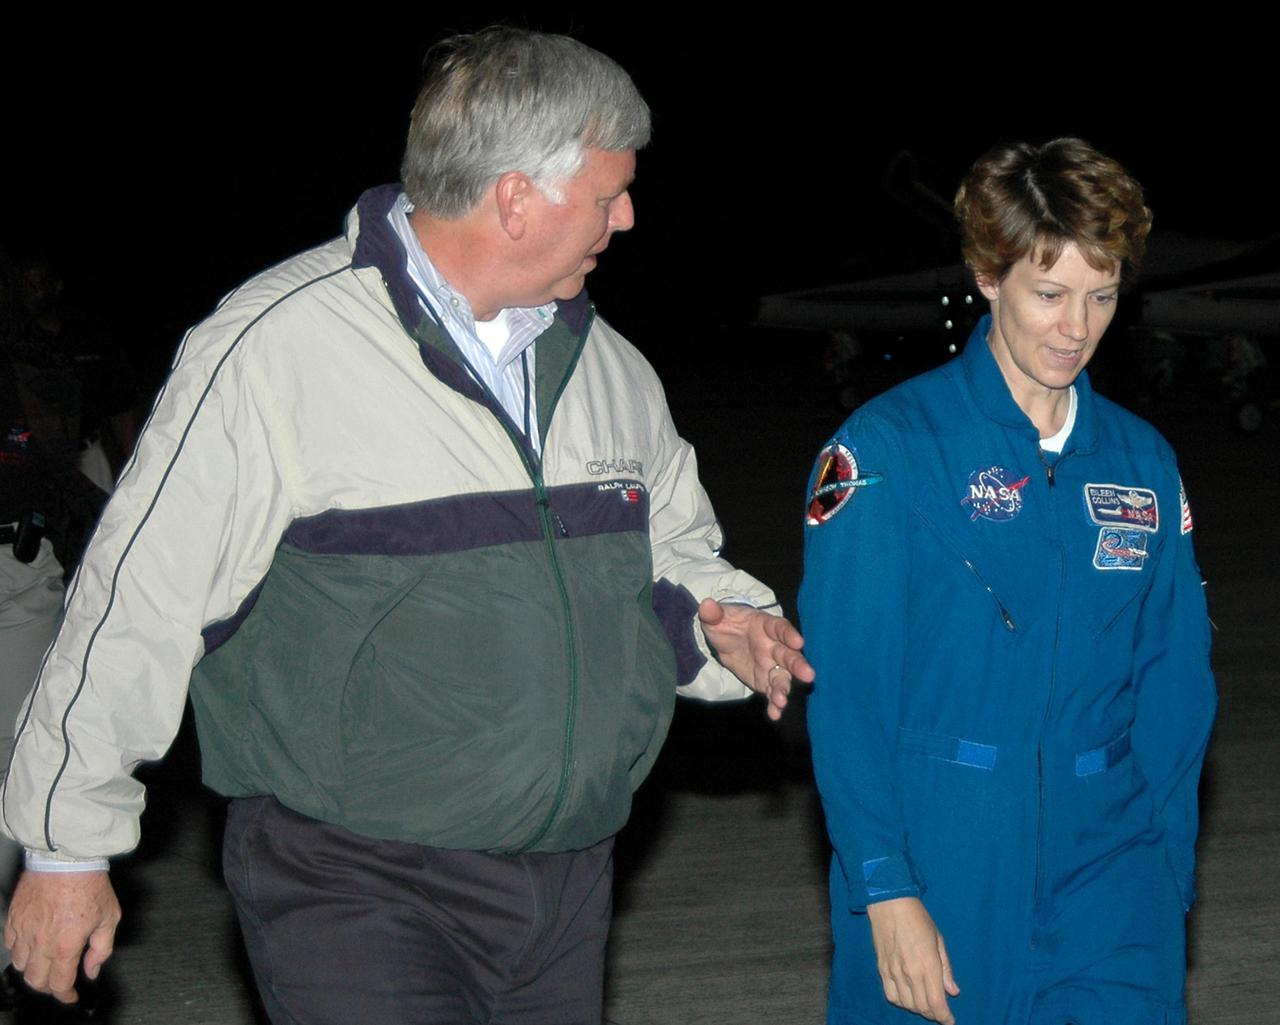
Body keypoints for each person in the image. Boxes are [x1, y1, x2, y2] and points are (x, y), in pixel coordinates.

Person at [0, 28, 813, 1024]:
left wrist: (721, 618)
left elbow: (670, 554)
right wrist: (64, 843)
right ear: (516, 195)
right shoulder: (278, 348)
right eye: (607, 194)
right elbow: (137, 601)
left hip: (563, 879)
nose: (628, 216)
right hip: (352, 873)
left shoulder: (609, 368)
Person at [800, 138, 1216, 1025]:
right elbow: (849, 699)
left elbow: (1176, 686)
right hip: (941, 867)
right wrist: (884, 885)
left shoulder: (1143, 462)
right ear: (988, 276)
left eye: (1103, 297)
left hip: (1113, 879)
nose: (1077, 327)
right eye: (1050, 294)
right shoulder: (886, 451)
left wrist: (1165, 877)